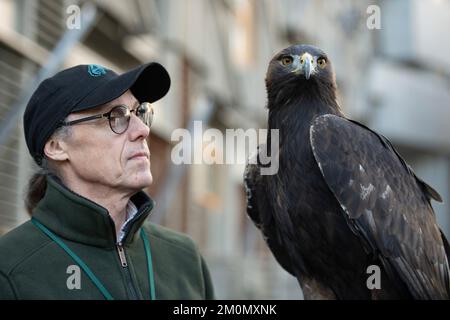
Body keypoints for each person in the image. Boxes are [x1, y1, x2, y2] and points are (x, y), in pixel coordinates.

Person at [0, 63, 215, 300]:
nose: (142, 129)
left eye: (139, 112)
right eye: (116, 116)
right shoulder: (10, 270)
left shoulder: (185, 259)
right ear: (57, 146)